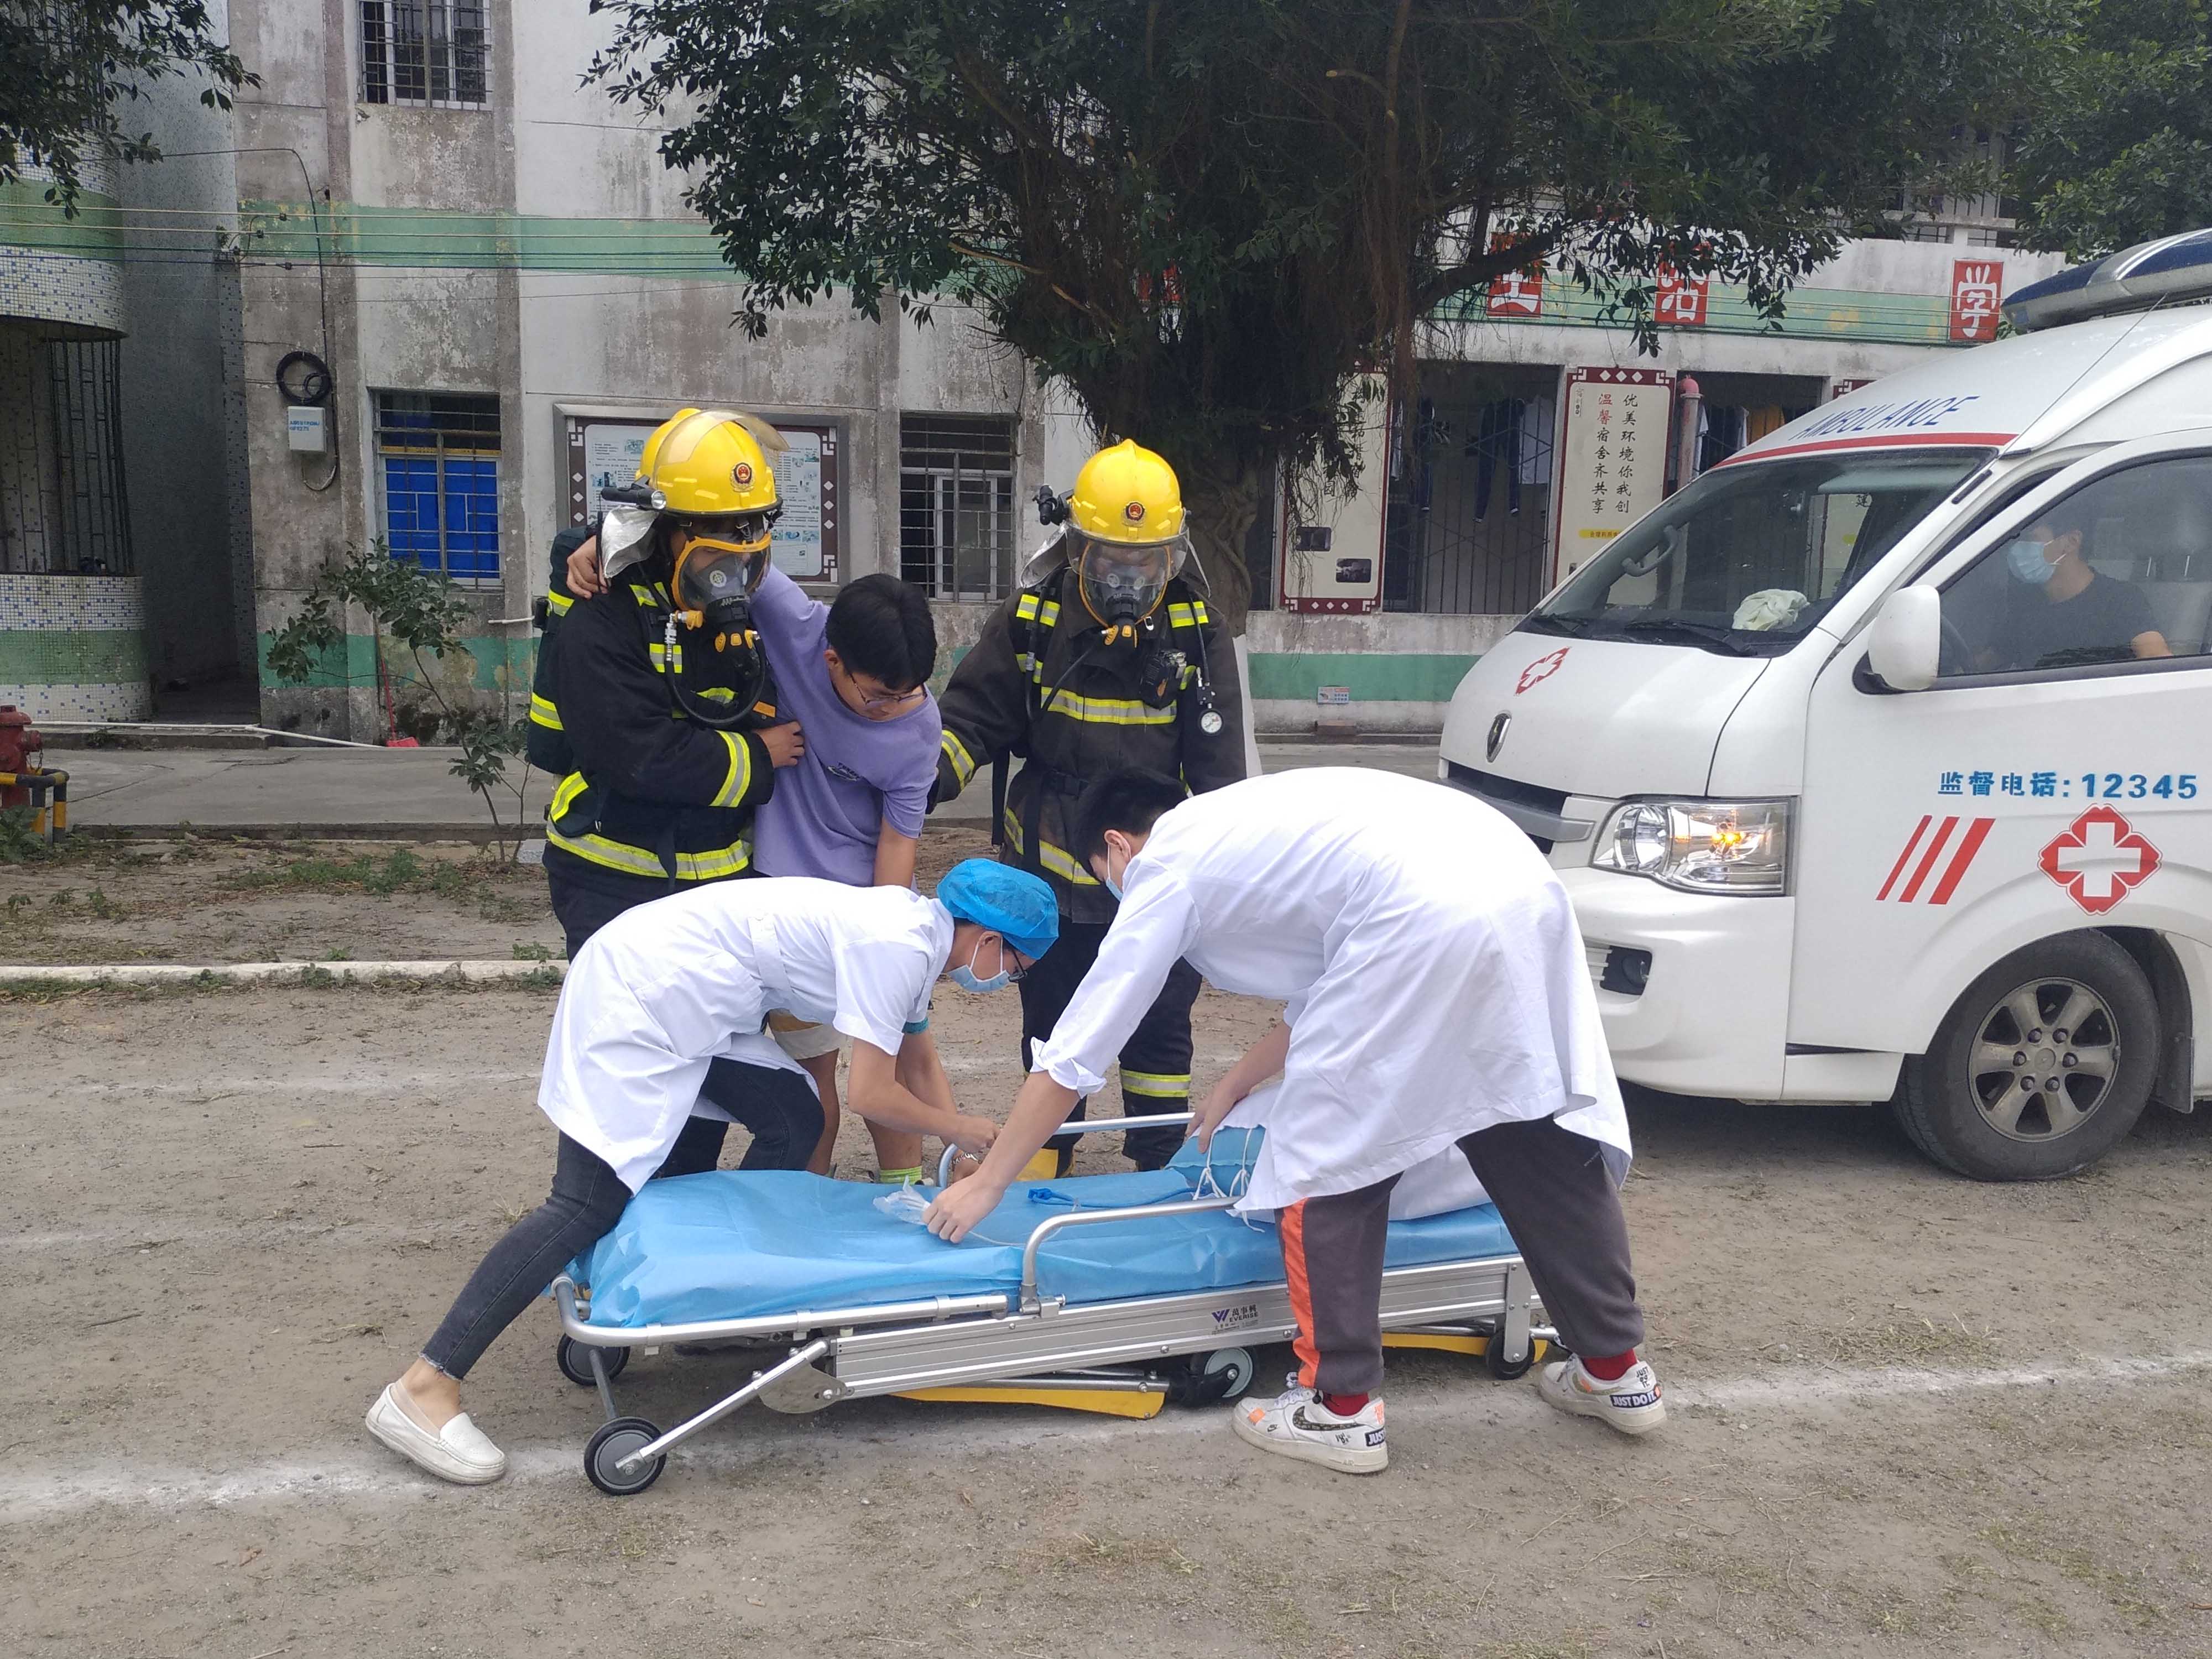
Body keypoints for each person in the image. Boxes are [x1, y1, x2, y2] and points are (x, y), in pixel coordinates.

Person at [926, 768, 1663, 1477]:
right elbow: (1332, 985)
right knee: (1526, 1120)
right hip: (1518, 885)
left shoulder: (1166, 865)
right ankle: (1616, 1369)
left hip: (1419, 913)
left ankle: (1339, 1408)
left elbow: (1080, 1047)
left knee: (1320, 1159)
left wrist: (990, 1183)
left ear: (1118, 845)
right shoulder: (1259, 826)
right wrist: (1238, 1082)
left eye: (1105, 874)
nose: (1118, 889)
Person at [366, 858, 1057, 1486]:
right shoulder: (898, 946)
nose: (1003, 981)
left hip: (695, 1000)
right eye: (1016, 967)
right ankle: (426, 1386)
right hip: (642, 994)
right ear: (988, 940)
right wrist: (959, 1130)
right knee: (583, 1203)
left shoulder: (917, 939)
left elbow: (915, 1061)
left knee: (792, 1116)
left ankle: (709, 1295)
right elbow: (871, 1095)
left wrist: (969, 1155)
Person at [566, 545, 948, 1185]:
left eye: (908, 693)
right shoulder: (795, 624)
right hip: (784, 913)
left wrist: (886, 941)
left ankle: (903, 1196)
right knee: (814, 1080)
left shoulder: (918, 726)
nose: (896, 706)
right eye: (880, 696)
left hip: (866, 911)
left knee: (891, 1061)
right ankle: (807, 1207)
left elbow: (896, 843)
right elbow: (713, 540)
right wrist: (602, 541)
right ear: (831, 660)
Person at [932, 440, 1246, 1175]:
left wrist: (1221, 886)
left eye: (1147, 564)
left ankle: (1159, 1165)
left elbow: (1221, 780)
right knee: (1051, 1023)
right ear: (1078, 550)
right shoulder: (1035, 617)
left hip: (1151, 873)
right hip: (1048, 872)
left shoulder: (1197, 631)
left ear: (1172, 556)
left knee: (1159, 1028)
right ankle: (1045, 1159)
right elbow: (971, 719)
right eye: (1110, 562)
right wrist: (912, 786)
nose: (1129, 581)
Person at [1978, 510, 2172, 671]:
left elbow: (2156, 658)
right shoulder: (2028, 605)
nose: (2017, 550)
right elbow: (1989, 660)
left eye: (2030, 539)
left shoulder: (2121, 600)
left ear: (2071, 542)